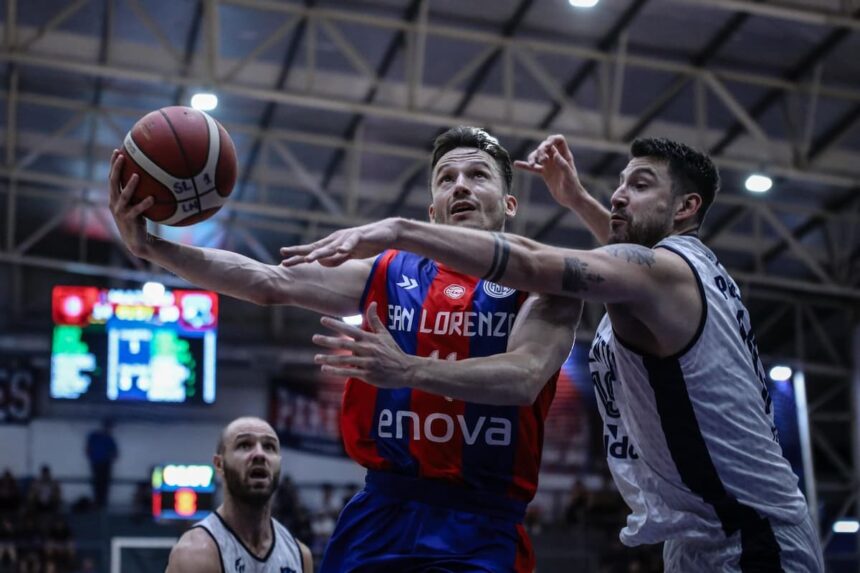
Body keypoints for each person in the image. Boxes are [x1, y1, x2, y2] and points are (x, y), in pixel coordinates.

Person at [280, 135, 824, 571]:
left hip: (748, 532)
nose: (617, 195)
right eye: (618, 184)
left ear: (686, 207)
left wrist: (400, 230)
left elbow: (540, 264)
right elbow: (624, 261)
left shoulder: (669, 271)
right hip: (696, 531)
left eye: (638, 184)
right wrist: (577, 200)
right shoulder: (669, 274)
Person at [109, 125, 582, 571]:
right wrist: (155, 249)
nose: (460, 186)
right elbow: (267, 281)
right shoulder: (391, 271)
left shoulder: (546, 286)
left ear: (509, 203)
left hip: (481, 522)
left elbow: (524, 377)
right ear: (433, 210)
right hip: (379, 514)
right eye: (446, 178)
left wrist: (409, 370)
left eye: (477, 176)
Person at [165, 416, 312, 573]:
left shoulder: (300, 556)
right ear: (219, 464)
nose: (259, 454)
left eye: (269, 447)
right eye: (245, 445)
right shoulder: (195, 553)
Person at [84, 419, 117, 508]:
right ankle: (98, 502)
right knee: (97, 483)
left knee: (104, 484)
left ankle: (102, 503)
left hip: (105, 464)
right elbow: (88, 448)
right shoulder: (95, 436)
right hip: (97, 463)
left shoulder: (109, 438)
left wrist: (109, 457)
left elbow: (115, 453)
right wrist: (92, 457)